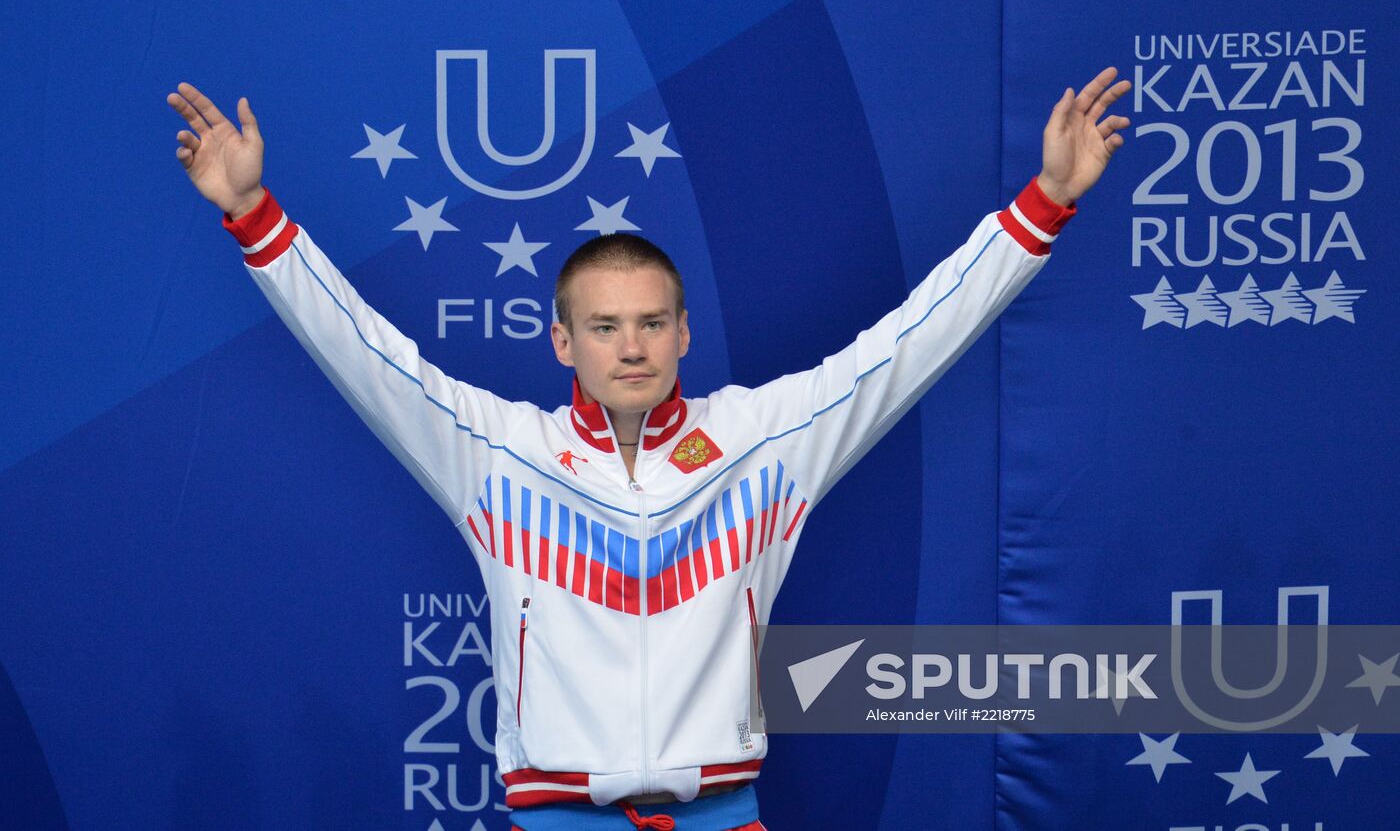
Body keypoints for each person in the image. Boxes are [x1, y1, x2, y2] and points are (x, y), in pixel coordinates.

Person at [168, 68, 1130, 831]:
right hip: (555, 821)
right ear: (562, 342)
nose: (629, 346)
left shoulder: (764, 442)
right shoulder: (499, 454)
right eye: (603, 326)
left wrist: (1044, 202)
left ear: (682, 335)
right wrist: (256, 217)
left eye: (650, 323)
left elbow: (910, 342)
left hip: (722, 817)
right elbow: (365, 354)